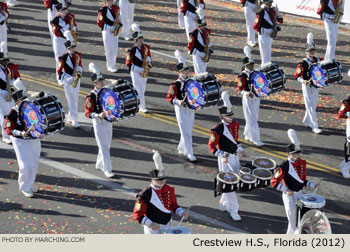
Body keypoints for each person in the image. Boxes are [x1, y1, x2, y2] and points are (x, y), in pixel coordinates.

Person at [208, 91, 248, 221]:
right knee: (230, 182)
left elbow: (235, 140)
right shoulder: (217, 129)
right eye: (227, 116)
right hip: (224, 158)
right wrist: (220, 155)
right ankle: (233, 209)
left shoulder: (235, 125)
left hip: (234, 156)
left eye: (231, 115)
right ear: (222, 117)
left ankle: (224, 203)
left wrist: (241, 150)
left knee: (232, 180)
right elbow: (211, 146)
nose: (230, 118)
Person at [271, 129, 318, 234]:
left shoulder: (302, 163)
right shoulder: (283, 165)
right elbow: (274, 182)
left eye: (299, 153)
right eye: (296, 154)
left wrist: (313, 185)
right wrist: (286, 190)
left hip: (300, 194)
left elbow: (303, 180)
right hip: (289, 196)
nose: (299, 155)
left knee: (300, 218)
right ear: (290, 154)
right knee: (292, 220)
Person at [133, 150, 188, 234]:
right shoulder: (144, 194)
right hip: (152, 227)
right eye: (159, 180)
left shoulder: (169, 189)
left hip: (167, 224)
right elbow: (137, 214)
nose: (162, 182)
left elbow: (173, 205)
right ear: (152, 180)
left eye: (163, 180)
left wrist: (181, 212)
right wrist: (150, 224)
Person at [4, 90, 41, 198]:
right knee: (26, 165)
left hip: (34, 138)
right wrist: (21, 133)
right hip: (20, 140)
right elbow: (8, 129)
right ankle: (24, 186)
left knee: (34, 163)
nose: (25, 101)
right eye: (23, 100)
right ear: (17, 101)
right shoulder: (12, 113)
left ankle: (30, 184)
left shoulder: (29, 110)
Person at [85, 63, 115, 178]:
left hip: (108, 121)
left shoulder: (107, 92)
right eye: (100, 81)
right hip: (98, 122)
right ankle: (107, 169)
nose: (102, 83)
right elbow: (88, 113)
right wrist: (98, 115)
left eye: (102, 81)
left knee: (107, 144)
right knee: (103, 146)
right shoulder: (91, 96)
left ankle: (99, 163)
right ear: (95, 83)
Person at [166, 50, 197, 162]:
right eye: (185, 70)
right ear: (180, 72)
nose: (187, 71)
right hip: (181, 109)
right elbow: (169, 97)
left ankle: (181, 147)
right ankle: (189, 152)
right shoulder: (176, 84)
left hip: (190, 108)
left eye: (187, 69)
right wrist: (178, 102)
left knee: (188, 129)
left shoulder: (191, 81)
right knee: (186, 131)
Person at [293, 33, 323, 134]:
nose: (312, 52)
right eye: (310, 50)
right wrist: (303, 81)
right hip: (307, 85)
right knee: (310, 105)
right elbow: (296, 76)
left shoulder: (319, 60)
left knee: (313, 104)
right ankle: (314, 126)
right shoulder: (303, 63)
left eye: (313, 50)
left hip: (316, 85)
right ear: (306, 51)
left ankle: (307, 120)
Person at [237, 46, 264, 146]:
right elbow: (240, 89)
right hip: (248, 98)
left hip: (256, 97)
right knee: (252, 118)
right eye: (250, 65)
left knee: (253, 117)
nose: (252, 66)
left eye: (252, 64)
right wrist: (246, 93)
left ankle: (248, 134)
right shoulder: (242, 76)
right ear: (245, 66)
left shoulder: (256, 73)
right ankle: (255, 138)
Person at [0, 42, 24, 144]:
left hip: (8, 93)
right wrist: (2, 92)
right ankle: (5, 136)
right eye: (4, 61)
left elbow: (11, 80)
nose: (6, 63)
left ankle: (11, 131)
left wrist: (17, 84)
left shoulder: (7, 69)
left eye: (6, 61)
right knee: (4, 115)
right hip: (1, 94)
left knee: (10, 113)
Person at [126, 23, 151, 113]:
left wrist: (149, 59)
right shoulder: (132, 51)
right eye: (140, 39)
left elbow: (149, 56)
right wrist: (138, 69)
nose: (142, 40)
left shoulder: (146, 48)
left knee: (142, 89)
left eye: (142, 38)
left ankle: (138, 102)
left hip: (144, 71)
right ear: (136, 40)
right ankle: (142, 106)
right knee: (139, 89)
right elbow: (128, 64)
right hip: (136, 72)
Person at [56, 40, 82, 128]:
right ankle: (75, 120)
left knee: (75, 99)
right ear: (67, 49)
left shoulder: (77, 55)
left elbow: (80, 65)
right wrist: (68, 78)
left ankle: (71, 117)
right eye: (71, 48)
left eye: (73, 47)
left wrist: (79, 70)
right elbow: (59, 72)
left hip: (76, 79)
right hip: (68, 81)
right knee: (71, 101)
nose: (73, 49)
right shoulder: (63, 58)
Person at [253, 0, 283, 65]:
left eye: (271, 2)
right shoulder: (261, 12)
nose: (270, 4)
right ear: (265, 3)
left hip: (270, 33)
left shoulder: (272, 11)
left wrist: (277, 12)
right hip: (263, 32)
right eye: (269, 2)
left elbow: (280, 20)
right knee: (264, 52)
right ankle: (264, 66)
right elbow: (255, 25)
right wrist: (263, 30)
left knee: (268, 51)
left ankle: (267, 65)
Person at [97, 0, 122, 73]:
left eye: (111, 0)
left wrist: (120, 19)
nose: (111, 1)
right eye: (109, 0)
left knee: (115, 49)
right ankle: (109, 66)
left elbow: (118, 17)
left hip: (115, 30)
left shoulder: (115, 8)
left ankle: (113, 64)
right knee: (109, 49)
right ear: (106, 1)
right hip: (107, 31)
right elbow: (100, 23)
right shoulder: (102, 10)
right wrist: (109, 27)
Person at [50, 2, 77, 67]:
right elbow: (57, 33)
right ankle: (59, 76)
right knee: (60, 61)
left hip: (68, 41)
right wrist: (67, 27)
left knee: (68, 61)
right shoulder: (54, 21)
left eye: (66, 9)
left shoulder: (70, 17)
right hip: (59, 41)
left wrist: (74, 28)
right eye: (64, 10)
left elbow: (74, 25)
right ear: (60, 11)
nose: (66, 11)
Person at [336, 96, 350, 178]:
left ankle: (344, 165)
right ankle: (345, 168)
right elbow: (340, 113)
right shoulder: (347, 101)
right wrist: (348, 114)